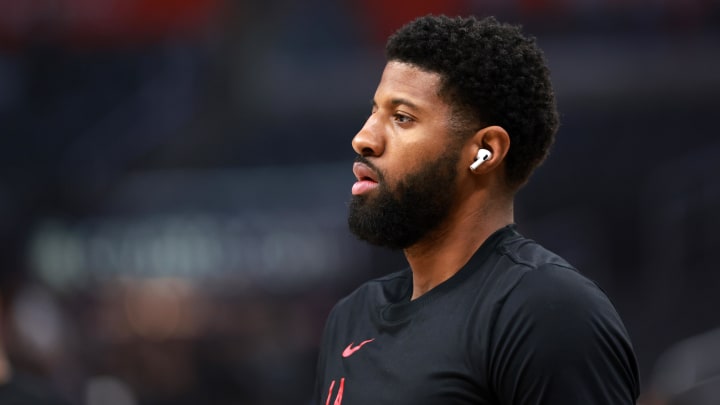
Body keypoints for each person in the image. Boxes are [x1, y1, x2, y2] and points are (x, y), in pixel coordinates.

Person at [312, 14, 639, 404]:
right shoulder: (351, 317)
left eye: (402, 117)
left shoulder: (545, 310)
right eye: (374, 112)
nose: (363, 138)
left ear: (485, 153)